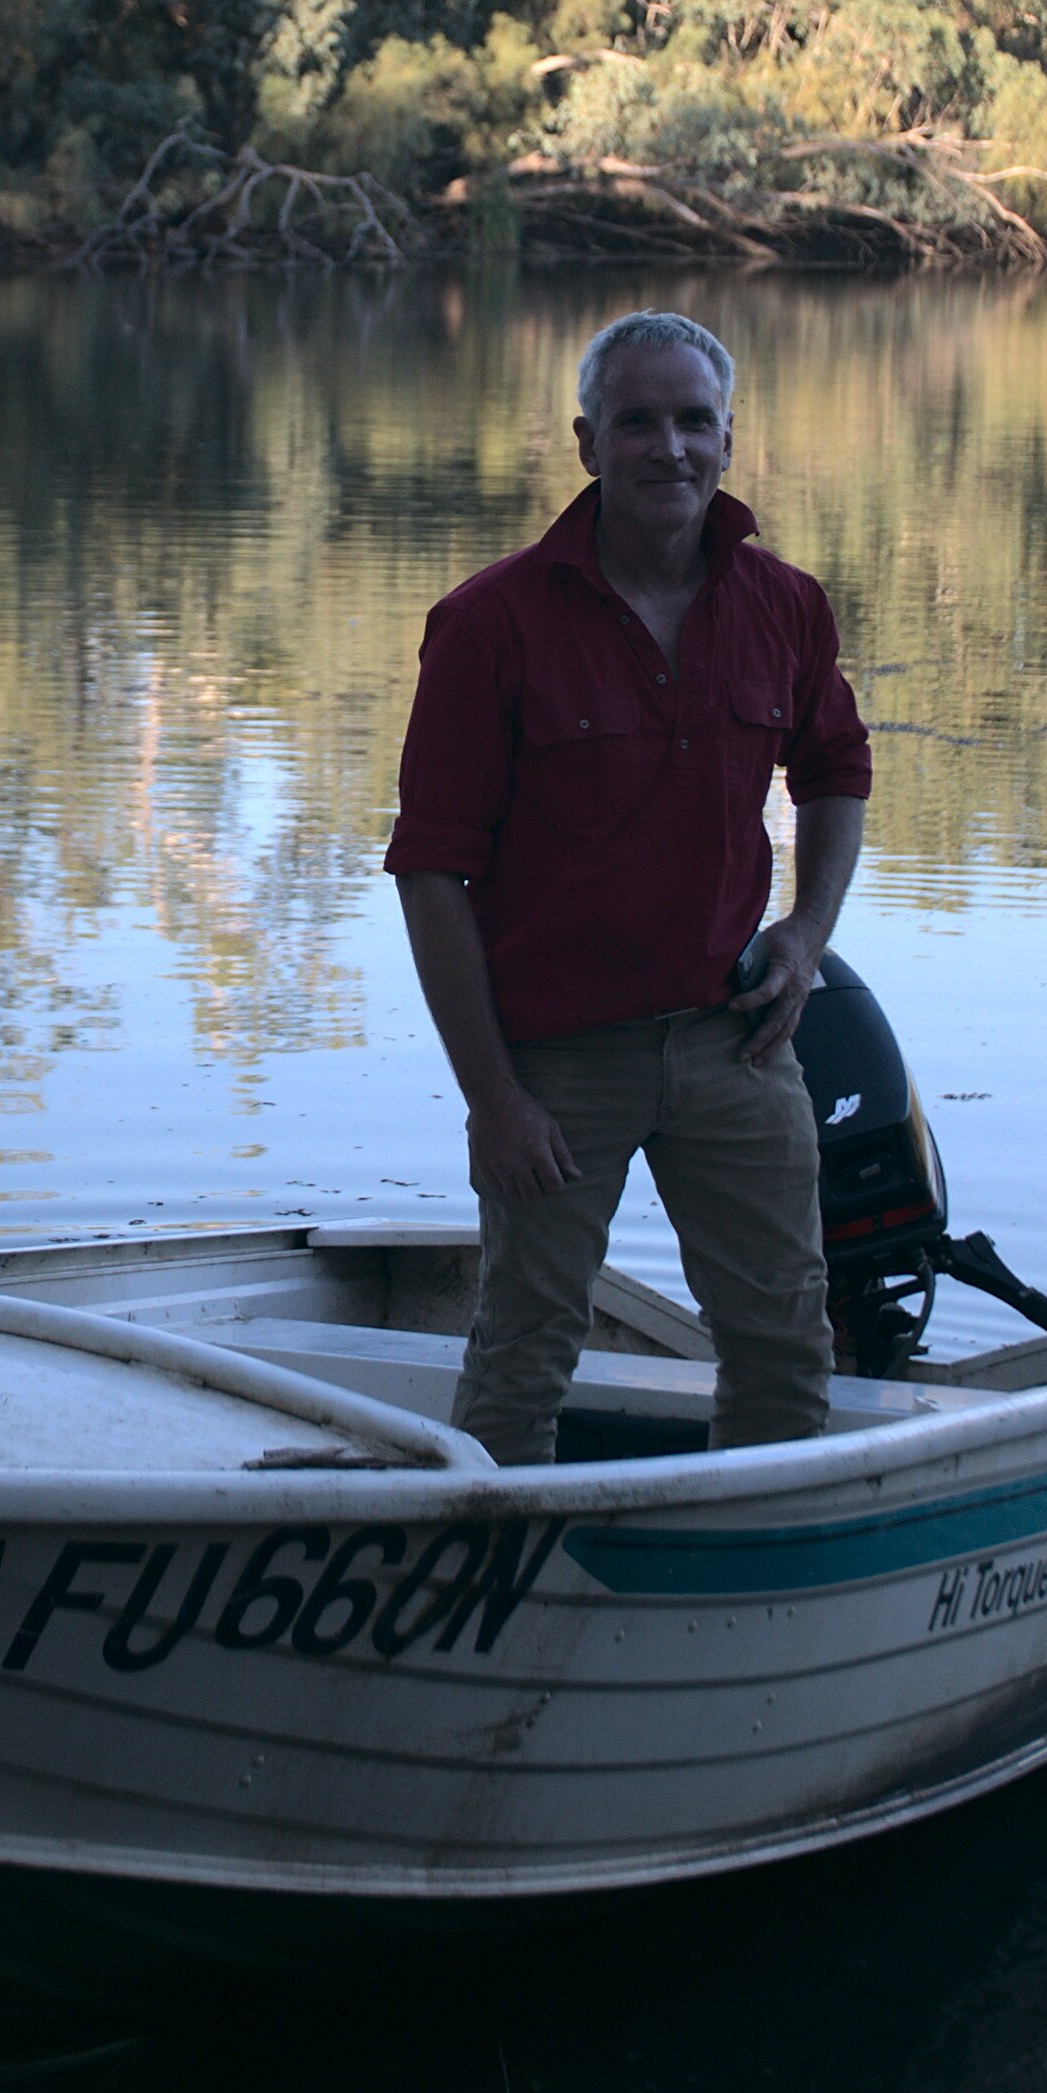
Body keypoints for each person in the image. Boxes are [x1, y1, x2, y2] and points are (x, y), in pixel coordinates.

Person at [385, 311, 872, 1463]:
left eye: (693, 420)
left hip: (735, 1042)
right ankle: (491, 1609)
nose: (670, 448)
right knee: (523, 1354)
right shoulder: (488, 624)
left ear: (729, 439)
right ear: (587, 441)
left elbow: (835, 770)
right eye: (638, 421)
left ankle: (763, 1589)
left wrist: (805, 934)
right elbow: (430, 870)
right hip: (556, 1060)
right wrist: (492, 1098)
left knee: (785, 1345)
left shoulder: (784, 604)